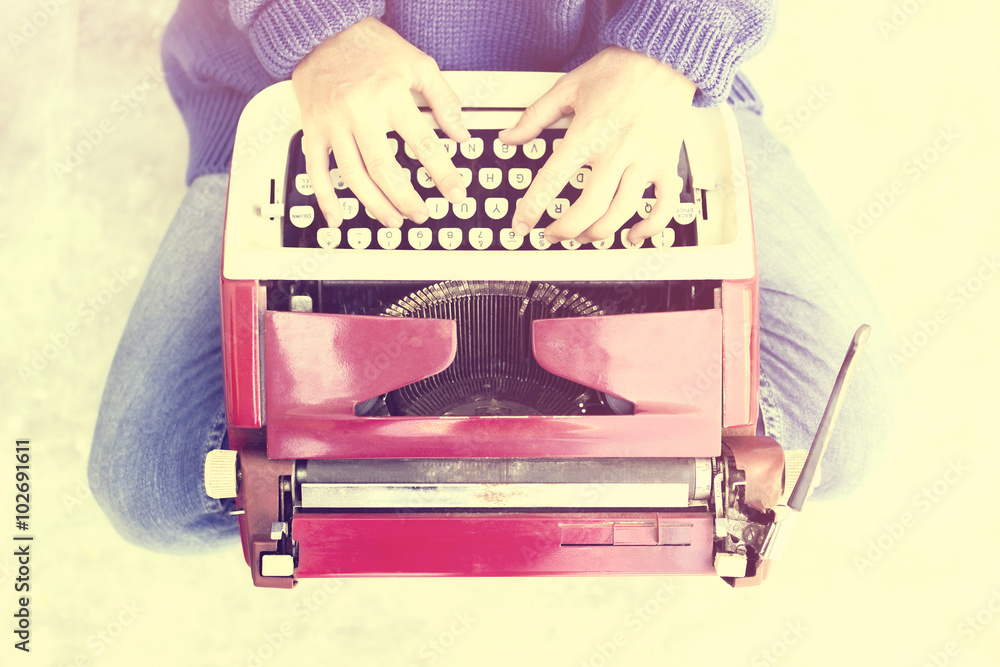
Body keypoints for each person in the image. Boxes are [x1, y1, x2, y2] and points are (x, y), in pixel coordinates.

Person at [89, 0, 896, 552]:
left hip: (633, 82)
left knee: (844, 436)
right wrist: (315, 27)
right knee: (147, 486)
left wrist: (675, 39)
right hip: (308, 82)